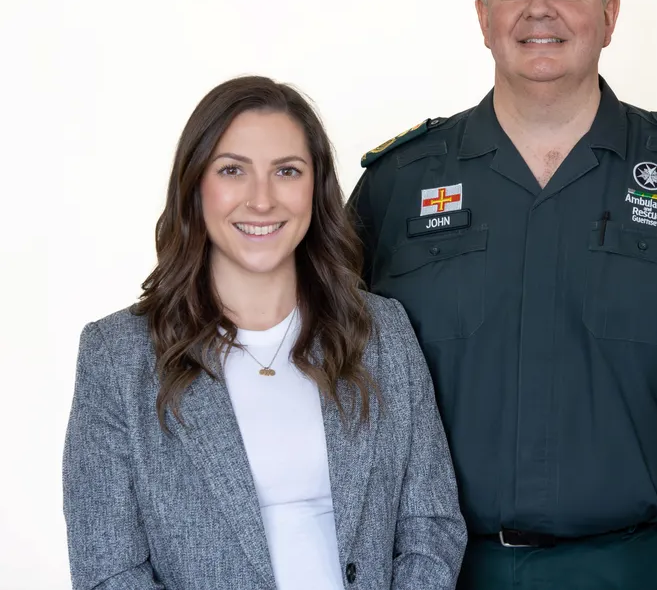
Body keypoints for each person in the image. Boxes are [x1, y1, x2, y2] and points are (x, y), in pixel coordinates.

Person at [347, 0, 657, 589]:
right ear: (483, 18)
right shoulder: (398, 186)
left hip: (648, 565)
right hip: (449, 570)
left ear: (610, 15)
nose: (540, 9)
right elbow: (316, 371)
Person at [62, 76, 466, 590]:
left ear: (315, 189)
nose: (261, 200)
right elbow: (109, 570)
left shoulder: (382, 333)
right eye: (233, 170)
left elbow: (430, 528)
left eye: (286, 171)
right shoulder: (117, 358)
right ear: (195, 187)